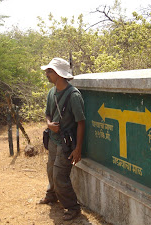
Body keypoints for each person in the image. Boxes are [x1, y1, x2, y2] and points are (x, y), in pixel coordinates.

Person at [40, 58, 85, 221]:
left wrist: (78, 148)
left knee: (60, 176)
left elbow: (81, 122)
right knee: (50, 170)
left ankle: (73, 207)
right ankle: (51, 195)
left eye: (49, 71)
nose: (47, 74)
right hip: (53, 139)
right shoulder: (51, 92)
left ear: (59, 74)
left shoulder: (73, 95)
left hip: (66, 144)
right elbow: (47, 114)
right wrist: (49, 124)